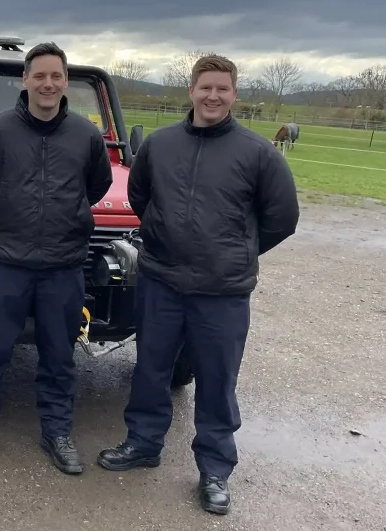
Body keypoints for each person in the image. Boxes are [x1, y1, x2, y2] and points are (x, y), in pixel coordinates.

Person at [96, 54, 299, 515]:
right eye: (205, 87)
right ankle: (143, 444)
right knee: (151, 369)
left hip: (222, 292)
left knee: (216, 380)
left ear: (234, 94)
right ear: (191, 90)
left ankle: (214, 469)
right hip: (161, 281)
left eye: (222, 89)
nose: (213, 96)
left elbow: (281, 219)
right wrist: (164, 239)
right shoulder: (161, 145)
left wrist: (237, 251)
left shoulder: (258, 153)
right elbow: (139, 196)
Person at [0, 42, 113, 474]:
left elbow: (95, 188)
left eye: (56, 76)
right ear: (24, 80)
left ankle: (57, 431)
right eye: (39, 76)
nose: (47, 84)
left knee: (60, 355)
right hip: (8, 262)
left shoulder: (86, 136)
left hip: (63, 266)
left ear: (66, 82)